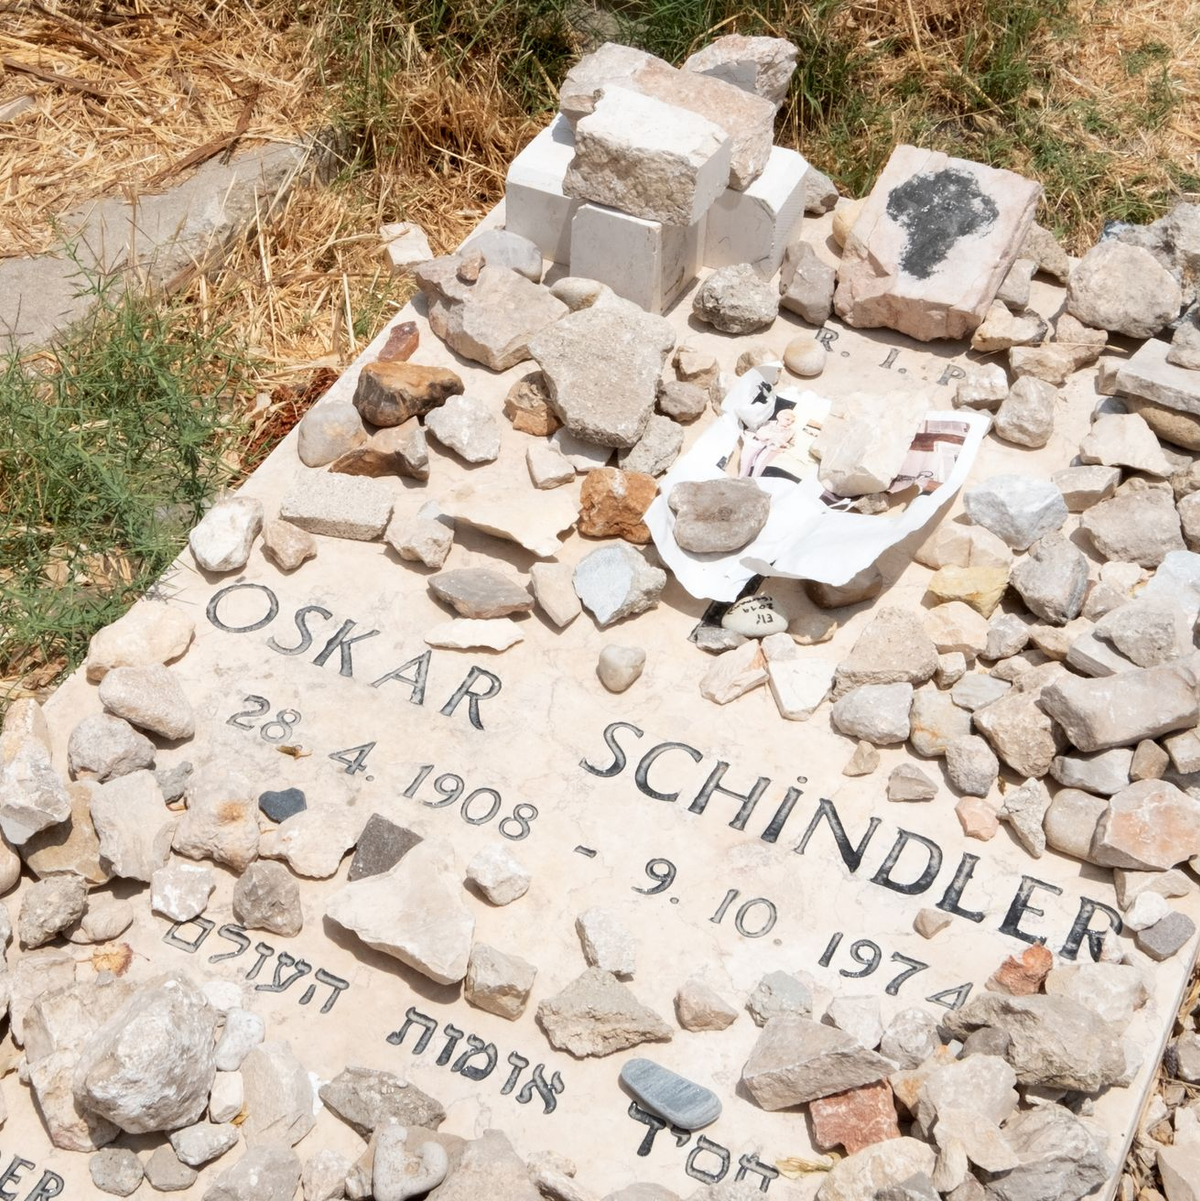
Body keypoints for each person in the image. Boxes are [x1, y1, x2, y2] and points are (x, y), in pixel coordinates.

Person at [740, 407, 796, 478]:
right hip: (758, 444)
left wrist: (785, 446)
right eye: (787, 419)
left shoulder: (791, 431)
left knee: (759, 466)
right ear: (779, 417)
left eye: (792, 421)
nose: (789, 422)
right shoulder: (768, 423)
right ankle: (741, 478)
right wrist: (757, 436)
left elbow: (792, 444)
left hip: (772, 450)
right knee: (746, 463)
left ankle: (754, 480)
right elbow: (752, 431)